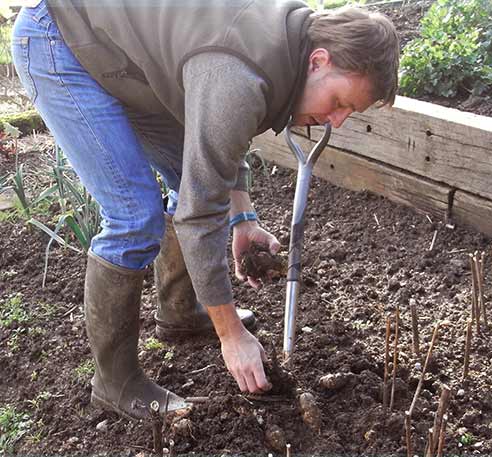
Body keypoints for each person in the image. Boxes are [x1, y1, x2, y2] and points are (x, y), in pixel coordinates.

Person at [11, 0, 400, 420]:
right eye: (340, 102)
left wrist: (243, 218)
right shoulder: (238, 72)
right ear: (319, 61)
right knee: (133, 217)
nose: (336, 121)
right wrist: (230, 334)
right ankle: (114, 382)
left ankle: (179, 313)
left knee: (186, 175)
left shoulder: (282, 44)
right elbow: (198, 214)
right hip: (62, 38)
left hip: (122, 51)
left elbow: (214, 148)